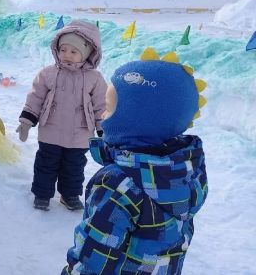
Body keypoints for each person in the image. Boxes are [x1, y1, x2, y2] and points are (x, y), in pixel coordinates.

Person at [63, 47, 208, 275]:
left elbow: (95, 254)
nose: (102, 115)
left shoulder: (117, 184)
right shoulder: (187, 168)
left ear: (136, 120)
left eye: (109, 109)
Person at [16, 20, 107, 211]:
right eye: (63, 50)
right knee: (45, 164)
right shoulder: (48, 74)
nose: (67, 55)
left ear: (88, 53)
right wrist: (26, 121)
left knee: (74, 168)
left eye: (73, 52)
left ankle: (70, 195)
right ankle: (42, 195)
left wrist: (104, 130)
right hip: (51, 131)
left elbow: (101, 106)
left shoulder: (95, 79)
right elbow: (36, 97)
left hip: (79, 134)